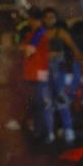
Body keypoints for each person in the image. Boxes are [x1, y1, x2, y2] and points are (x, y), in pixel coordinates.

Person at [42, 7, 81, 143]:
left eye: (52, 17)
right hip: (45, 69)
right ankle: (50, 132)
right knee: (47, 101)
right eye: (47, 17)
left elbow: (73, 49)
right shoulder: (41, 33)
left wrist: (75, 68)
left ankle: (68, 129)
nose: (49, 20)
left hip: (58, 69)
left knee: (61, 99)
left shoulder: (61, 33)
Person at [20, 8, 54, 143]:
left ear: (34, 19)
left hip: (38, 73)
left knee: (41, 104)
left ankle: (46, 133)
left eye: (29, 19)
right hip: (34, 73)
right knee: (38, 104)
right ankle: (40, 131)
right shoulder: (35, 33)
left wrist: (23, 48)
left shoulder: (39, 33)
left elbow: (28, 50)